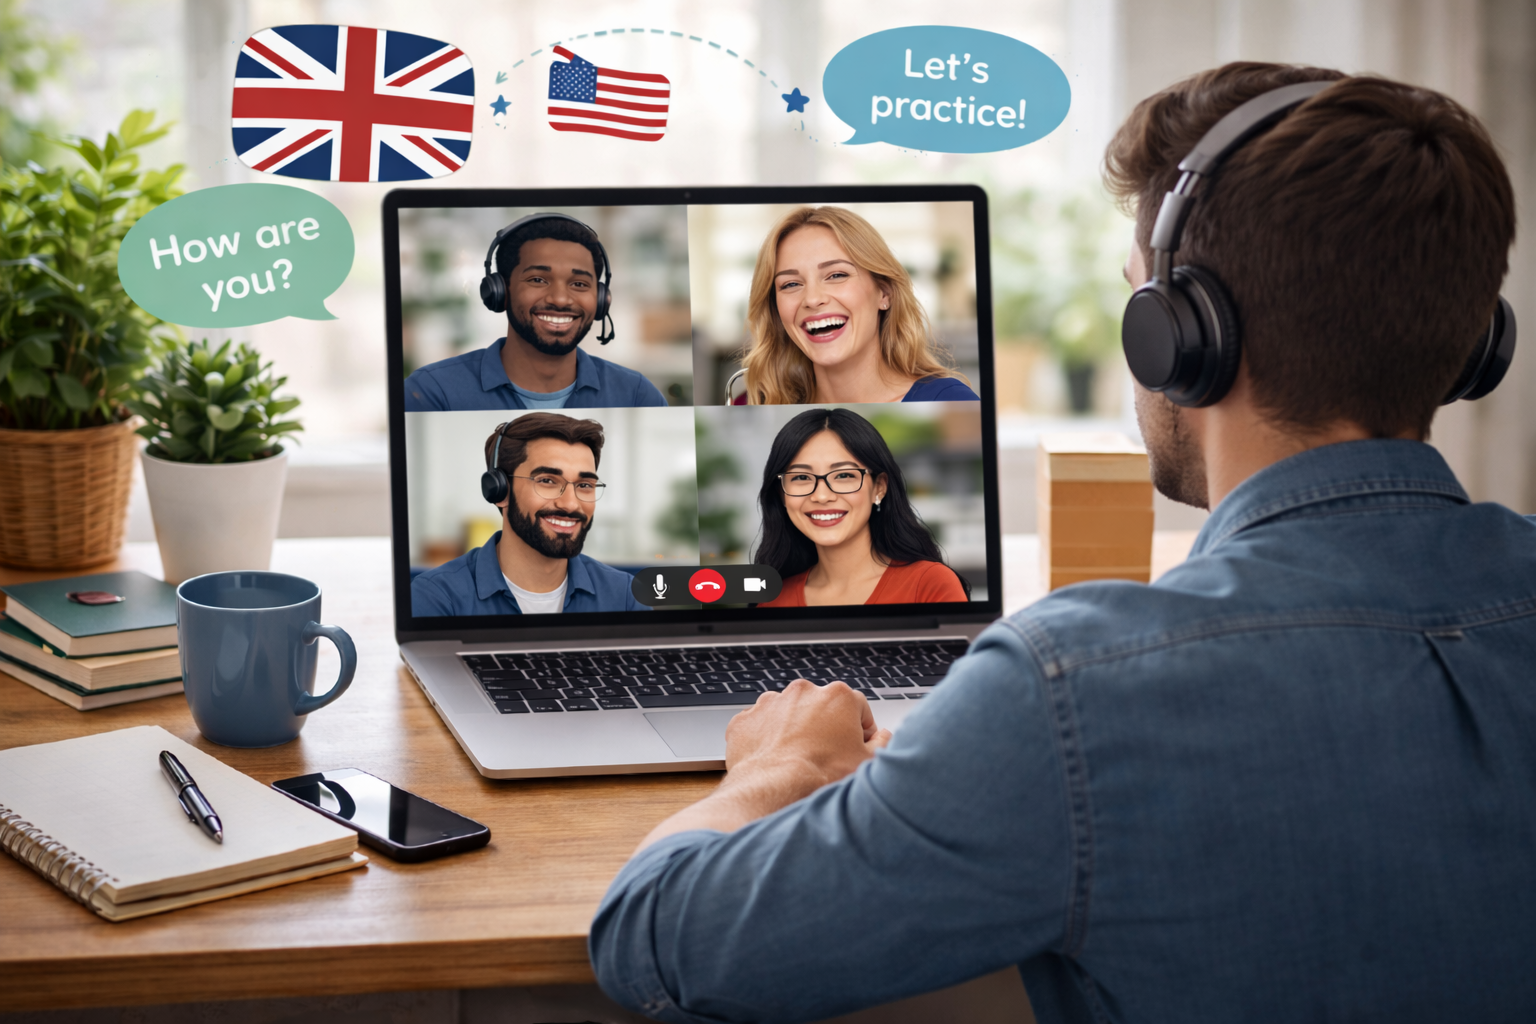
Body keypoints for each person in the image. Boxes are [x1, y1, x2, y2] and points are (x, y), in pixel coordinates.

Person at [588, 65, 1536, 1023]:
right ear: (1470, 342)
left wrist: (779, 768)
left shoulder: (1075, 688)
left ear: (1180, 336)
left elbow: (656, 937)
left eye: (1138, 296)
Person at [404, 215, 668, 411]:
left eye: (579, 284)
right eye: (538, 280)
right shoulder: (432, 393)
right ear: (499, 291)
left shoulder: (637, 395)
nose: (561, 299)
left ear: (600, 299)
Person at [733, 206, 978, 405]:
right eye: (790, 284)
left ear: (884, 292)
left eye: (837, 275)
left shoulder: (950, 402)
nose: (812, 299)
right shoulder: (752, 405)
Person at [412, 413, 647, 616]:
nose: (571, 504)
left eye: (584, 485)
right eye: (547, 481)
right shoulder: (438, 597)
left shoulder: (625, 596)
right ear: (499, 490)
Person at [753, 408, 968, 606]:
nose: (821, 495)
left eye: (844, 475)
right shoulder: (771, 598)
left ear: (879, 488)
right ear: (781, 494)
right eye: (801, 477)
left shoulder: (929, 584)